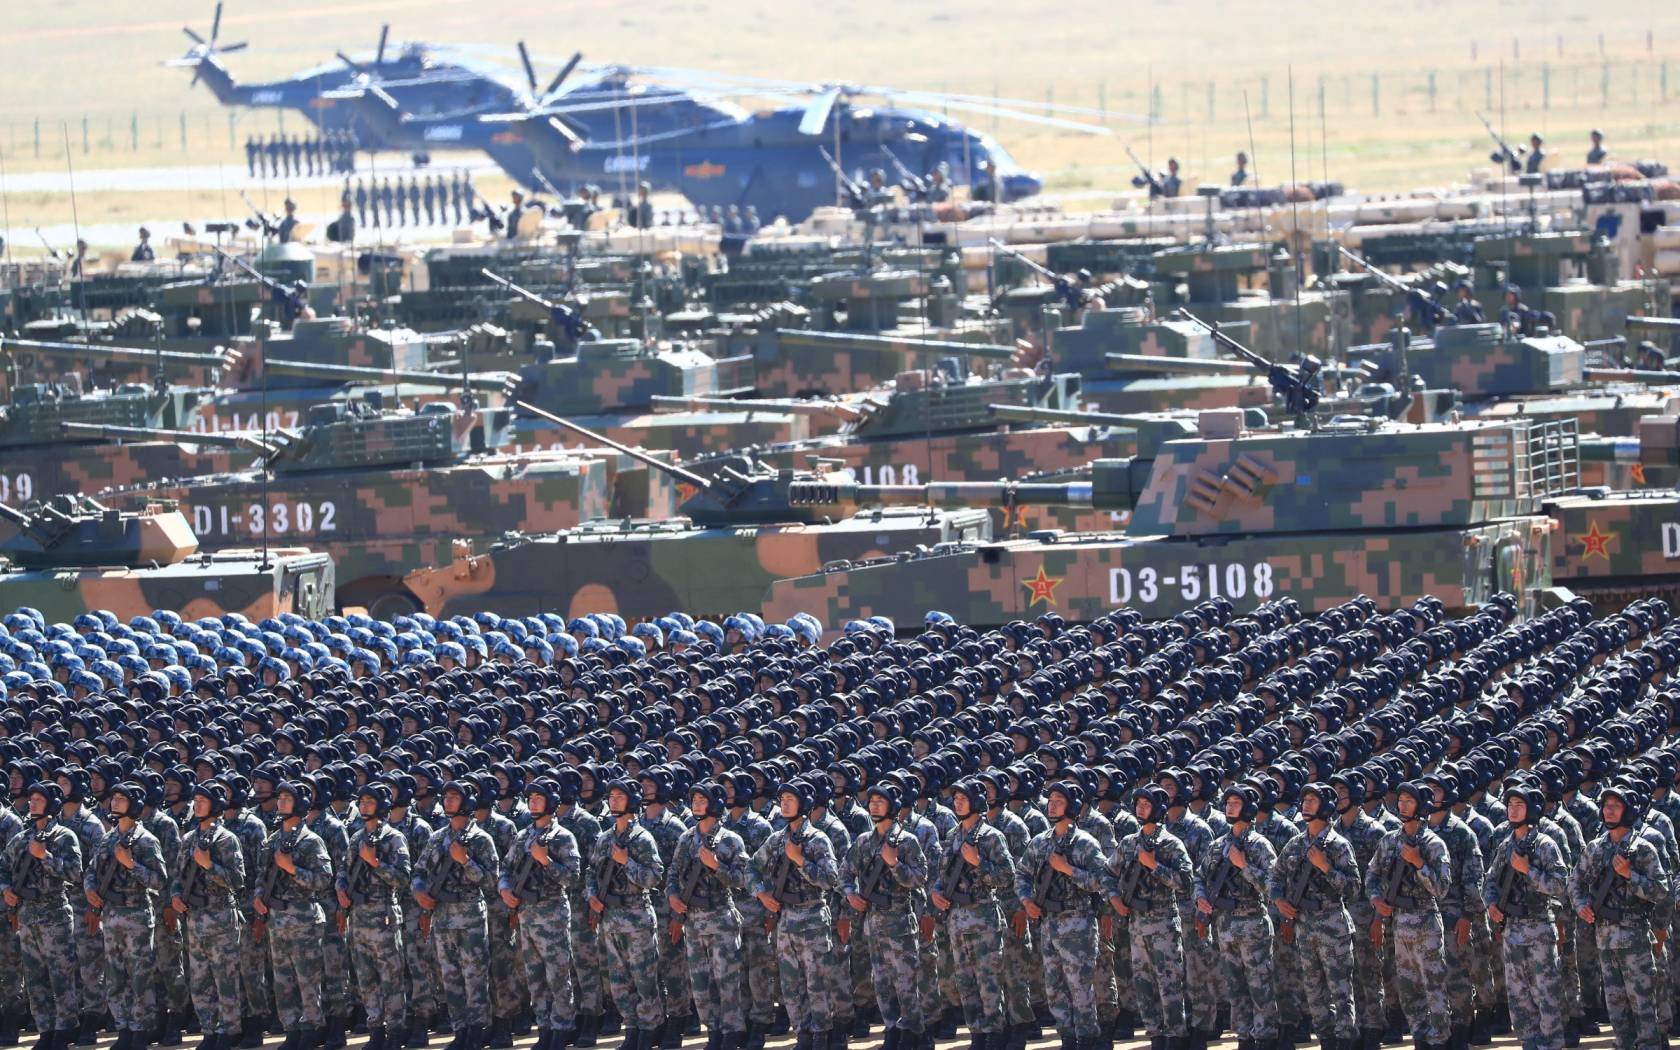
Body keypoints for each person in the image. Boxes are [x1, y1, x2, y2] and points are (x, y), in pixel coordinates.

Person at [1572, 780, 1666, 1050]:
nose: (1609, 811)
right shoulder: (1595, 848)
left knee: (1643, 1002)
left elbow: (1661, 890)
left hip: (1635, 935)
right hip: (1604, 936)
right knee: (1615, 1004)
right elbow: (1574, 882)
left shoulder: (1643, 848)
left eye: (1616, 806)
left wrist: (1630, 875)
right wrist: (1581, 906)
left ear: (1628, 810)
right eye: (1606, 806)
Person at [413, 781, 500, 1050]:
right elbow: (418, 871)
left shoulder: (481, 839)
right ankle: (460, 1028)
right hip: (442, 916)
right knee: (449, 977)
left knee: (475, 976)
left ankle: (477, 1029)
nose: (448, 801)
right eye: (446, 796)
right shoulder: (437, 837)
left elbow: (491, 881)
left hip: (470, 915)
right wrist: (419, 892)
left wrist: (465, 861)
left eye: (454, 796)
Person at [751, 783, 840, 1046]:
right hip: (785, 919)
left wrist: (801, 861)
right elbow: (751, 868)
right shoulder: (776, 839)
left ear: (804, 804)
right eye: (782, 799)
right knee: (790, 983)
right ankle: (802, 1031)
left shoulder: (818, 839)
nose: (785, 803)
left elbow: (830, 880)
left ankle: (821, 1034)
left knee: (817, 982)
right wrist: (762, 894)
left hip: (812, 917)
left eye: (791, 799)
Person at [841, 782, 927, 1049]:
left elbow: (919, 879)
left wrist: (894, 863)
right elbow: (844, 873)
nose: (874, 805)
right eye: (872, 801)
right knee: (881, 982)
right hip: (873, 924)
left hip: (900, 922)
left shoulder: (907, 841)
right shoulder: (864, 841)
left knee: (906, 982)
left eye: (880, 801)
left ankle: (913, 1031)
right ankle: (891, 1029)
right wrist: (850, 894)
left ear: (892, 806)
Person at [1483, 779, 1569, 1050]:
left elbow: (1559, 884)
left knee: (1546, 996)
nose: (1513, 809)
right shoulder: (1505, 844)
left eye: (1519, 805)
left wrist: (1527, 870)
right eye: (1510, 804)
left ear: (1532, 810)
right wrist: (1492, 904)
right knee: (1519, 998)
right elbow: (1490, 881)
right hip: (1512, 930)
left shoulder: (1545, 844)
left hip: (1539, 928)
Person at [1366, 782, 1451, 1050]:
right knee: (1408, 989)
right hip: (1400, 923)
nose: (1402, 805)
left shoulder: (1433, 844)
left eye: (1409, 801)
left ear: (1421, 806)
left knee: (1434, 988)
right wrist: (1377, 900)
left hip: (1426, 921)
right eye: (1400, 800)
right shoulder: (1389, 840)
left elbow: (1441, 888)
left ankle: (1439, 1040)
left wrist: (1419, 863)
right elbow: (1372, 876)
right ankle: (1420, 1039)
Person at [930, 779, 1013, 1049]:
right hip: (956, 919)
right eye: (955, 798)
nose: (957, 802)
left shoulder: (991, 836)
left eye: (963, 798)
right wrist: (937, 892)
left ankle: (995, 1034)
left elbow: (1006, 877)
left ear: (977, 802)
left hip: (984, 918)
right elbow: (942, 875)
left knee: (989, 981)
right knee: (965, 981)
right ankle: (977, 1034)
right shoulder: (954, 834)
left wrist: (979, 861)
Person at [2, 782, 85, 1050]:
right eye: (32, 799)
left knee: (60, 976)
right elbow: (3, 868)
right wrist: (6, 890)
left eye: (39, 799)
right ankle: (45, 1029)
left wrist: (46, 857)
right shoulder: (21, 839)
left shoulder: (64, 837)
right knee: (35, 977)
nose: (33, 803)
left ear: (50, 805)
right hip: (28, 916)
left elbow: (75, 874)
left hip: (55, 915)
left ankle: (64, 1029)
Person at [665, 782, 748, 1050]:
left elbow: (741, 879)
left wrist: (716, 866)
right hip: (693, 921)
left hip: (721, 918)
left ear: (714, 804)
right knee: (700, 986)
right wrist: (673, 897)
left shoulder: (730, 840)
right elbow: (673, 874)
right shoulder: (686, 838)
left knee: (726, 982)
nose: (696, 803)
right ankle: (713, 1031)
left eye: (702, 799)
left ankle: (731, 1032)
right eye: (695, 799)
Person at [85, 782, 167, 1050]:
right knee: (116, 977)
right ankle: (124, 1028)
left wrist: (131, 864)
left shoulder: (146, 840)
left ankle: (141, 1030)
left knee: (140, 977)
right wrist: (90, 890)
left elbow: (158, 880)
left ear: (133, 805)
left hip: (137, 917)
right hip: (111, 916)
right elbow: (91, 871)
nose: (115, 802)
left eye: (121, 798)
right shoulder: (107, 839)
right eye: (114, 797)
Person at [1196, 784, 1278, 1050]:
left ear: (1249, 809)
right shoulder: (1218, 844)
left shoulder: (1260, 845)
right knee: (1235, 986)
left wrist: (1244, 865)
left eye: (1236, 803)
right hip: (1225, 924)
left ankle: (1264, 1037)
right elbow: (1199, 877)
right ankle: (1243, 1036)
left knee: (1260, 985)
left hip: (1253, 923)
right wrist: (1200, 898)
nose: (1230, 807)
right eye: (1228, 802)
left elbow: (1273, 886)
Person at [586, 780, 664, 1050]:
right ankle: (632, 1028)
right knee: (619, 981)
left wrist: (626, 862)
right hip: (611, 917)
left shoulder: (642, 838)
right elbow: (591, 871)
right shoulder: (604, 838)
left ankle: (649, 1030)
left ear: (631, 802)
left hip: (636, 916)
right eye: (611, 796)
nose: (614, 801)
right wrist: (592, 896)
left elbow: (654, 877)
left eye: (620, 797)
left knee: (644, 978)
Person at [254, 781, 332, 1050]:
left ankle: (310, 1027)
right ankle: (291, 1028)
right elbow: (261, 876)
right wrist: (258, 896)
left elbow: (323, 880)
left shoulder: (311, 841)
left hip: (303, 918)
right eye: (280, 797)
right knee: (283, 979)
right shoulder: (272, 840)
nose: (281, 802)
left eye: (287, 798)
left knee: (307, 978)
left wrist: (292, 869)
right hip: (277, 918)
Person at [172, 782, 247, 1050]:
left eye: (202, 800)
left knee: (224, 977)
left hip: (220, 917)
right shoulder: (188, 839)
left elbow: (237, 880)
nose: (196, 804)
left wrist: (209, 865)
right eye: (196, 800)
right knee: (200, 978)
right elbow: (178, 877)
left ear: (215, 806)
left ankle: (229, 1030)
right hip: (194, 918)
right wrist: (176, 896)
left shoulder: (227, 839)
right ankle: (209, 1029)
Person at [338, 784, 410, 1050]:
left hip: (383, 915)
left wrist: (376, 863)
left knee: (390, 978)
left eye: (370, 801)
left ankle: (396, 1031)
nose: (364, 806)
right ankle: (375, 1029)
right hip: (358, 916)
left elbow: (403, 878)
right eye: (362, 801)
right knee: (366, 978)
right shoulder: (356, 837)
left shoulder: (394, 838)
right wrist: (340, 888)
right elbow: (343, 871)